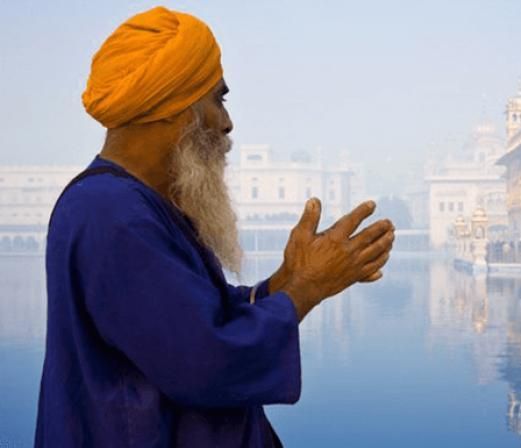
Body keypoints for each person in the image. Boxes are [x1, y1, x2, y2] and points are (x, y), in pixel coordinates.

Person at [34, 6, 394, 447]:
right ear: (174, 107)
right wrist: (306, 290)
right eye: (217, 99)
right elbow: (204, 362)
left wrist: (286, 281)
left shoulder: (132, 205)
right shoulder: (113, 215)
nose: (226, 122)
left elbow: (194, 321)